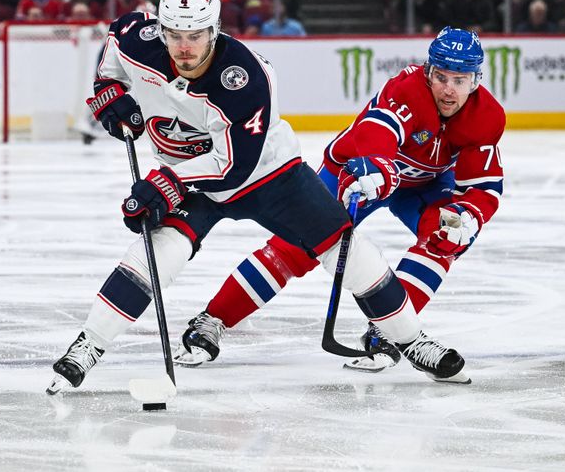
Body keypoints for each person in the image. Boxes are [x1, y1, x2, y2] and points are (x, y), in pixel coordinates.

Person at [47, 0, 470, 395]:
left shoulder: (245, 77)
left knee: (345, 249)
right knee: (156, 256)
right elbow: (115, 46)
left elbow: (231, 166)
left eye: (195, 35)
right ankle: (89, 345)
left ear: (214, 29)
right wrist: (110, 92)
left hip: (267, 174)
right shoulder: (139, 38)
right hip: (189, 178)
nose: (184, 47)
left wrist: (165, 184)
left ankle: (411, 340)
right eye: (174, 34)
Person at [172, 26, 505, 378]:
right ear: (428, 72)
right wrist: (377, 166)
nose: (448, 89)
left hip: (424, 184)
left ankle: (390, 331)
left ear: (475, 80)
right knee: (293, 249)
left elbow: (483, 186)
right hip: (357, 170)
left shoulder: (487, 117)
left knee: (445, 239)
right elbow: (378, 129)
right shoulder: (406, 90)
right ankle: (213, 320)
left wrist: (469, 215)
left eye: (460, 79)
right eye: (440, 76)